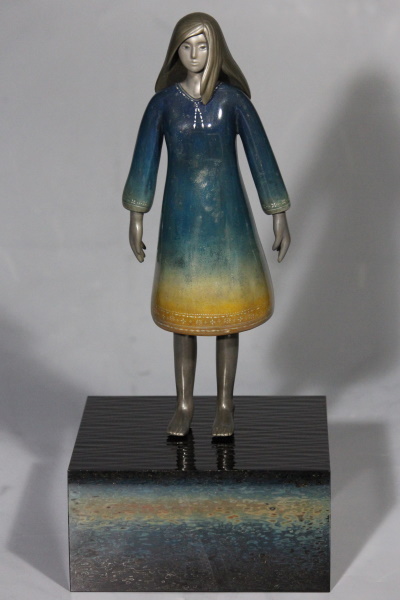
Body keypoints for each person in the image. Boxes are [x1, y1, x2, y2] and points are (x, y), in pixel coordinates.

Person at [123, 13, 291, 437]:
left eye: (202, 45)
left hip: (229, 220)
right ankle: (184, 404)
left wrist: (278, 212)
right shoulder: (163, 105)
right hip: (181, 224)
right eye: (186, 46)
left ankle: (224, 405)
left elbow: (261, 156)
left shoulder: (233, 102)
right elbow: (145, 161)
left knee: (226, 318)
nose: (194, 54)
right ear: (175, 51)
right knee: (183, 318)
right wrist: (137, 215)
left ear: (216, 49)